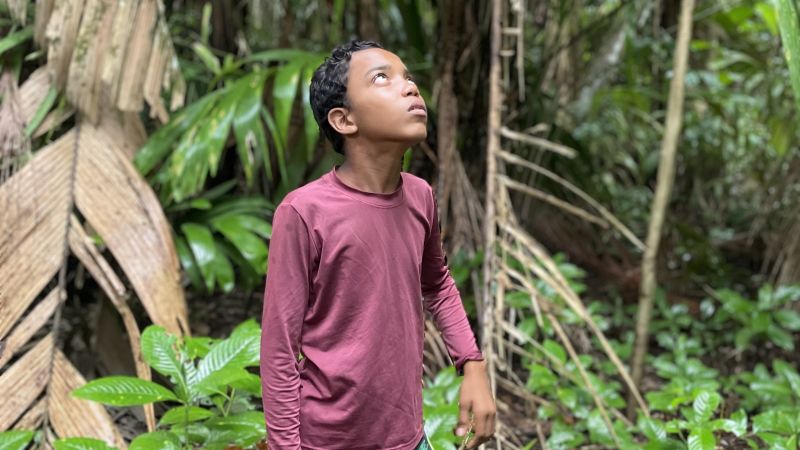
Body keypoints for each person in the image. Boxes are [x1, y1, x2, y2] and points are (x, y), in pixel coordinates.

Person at [260, 39, 496, 450]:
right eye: (382, 78)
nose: (410, 87)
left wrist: (472, 366)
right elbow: (279, 350)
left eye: (408, 77)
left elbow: (437, 284)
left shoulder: (421, 196)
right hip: (325, 441)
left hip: (408, 438)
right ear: (344, 119)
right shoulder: (303, 212)